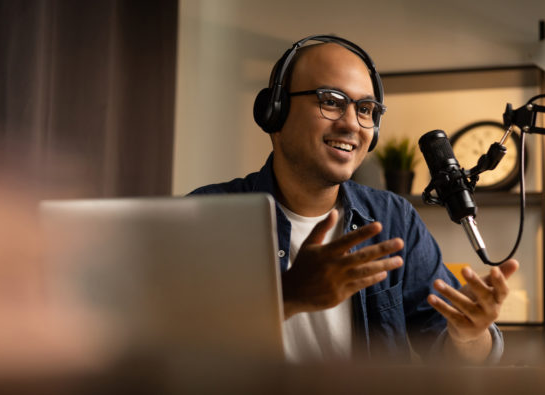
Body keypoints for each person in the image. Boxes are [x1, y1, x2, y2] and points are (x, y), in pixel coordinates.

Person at [190, 35, 518, 364]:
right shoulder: (206, 217)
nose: (351, 124)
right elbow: (161, 346)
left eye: (365, 109)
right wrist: (287, 298)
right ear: (275, 112)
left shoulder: (393, 219)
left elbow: (457, 356)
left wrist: (470, 336)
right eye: (331, 101)